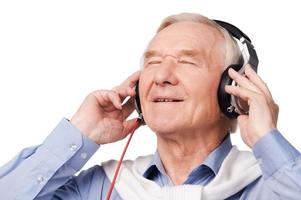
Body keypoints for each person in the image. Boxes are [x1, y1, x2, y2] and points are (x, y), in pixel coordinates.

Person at [1, 13, 301, 200]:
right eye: (153, 62)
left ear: (232, 90)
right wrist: (80, 133)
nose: (161, 76)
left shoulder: (270, 186)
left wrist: (267, 140)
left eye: (186, 62)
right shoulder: (102, 188)